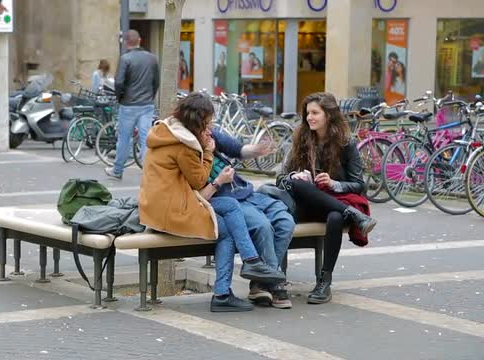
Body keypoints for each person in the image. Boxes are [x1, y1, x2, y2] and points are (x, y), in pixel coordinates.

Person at [139, 93, 283, 312]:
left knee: (228, 216)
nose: (211, 126)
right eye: (208, 122)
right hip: (173, 210)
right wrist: (208, 152)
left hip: (159, 206)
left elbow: (232, 149)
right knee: (226, 230)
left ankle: (237, 278)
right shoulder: (183, 145)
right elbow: (198, 181)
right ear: (198, 120)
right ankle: (229, 286)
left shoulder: (167, 132)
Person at [277, 92, 378, 305]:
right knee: (297, 183)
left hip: (333, 202)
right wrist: (296, 176)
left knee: (335, 217)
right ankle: (353, 214)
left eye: (315, 113)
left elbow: (359, 184)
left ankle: (324, 281)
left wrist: (334, 184)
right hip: (304, 203)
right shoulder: (300, 138)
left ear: (328, 116)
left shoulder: (345, 143)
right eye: (307, 113)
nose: (309, 118)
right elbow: (280, 178)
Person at [209, 129, 296, 309]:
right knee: (262, 226)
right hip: (230, 201)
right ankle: (274, 283)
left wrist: (258, 149)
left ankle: (260, 283)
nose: (209, 130)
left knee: (286, 222)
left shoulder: (210, 134)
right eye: (206, 123)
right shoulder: (188, 147)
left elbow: (238, 149)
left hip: (248, 193)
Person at [105, 30, 159, 180]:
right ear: (140, 40)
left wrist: (120, 98)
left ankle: (117, 170)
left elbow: (119, 82)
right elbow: (156, 82)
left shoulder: (125, 59)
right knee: (145, 138)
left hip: (128, 105)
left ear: (126, 42)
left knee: (124, 138)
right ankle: (149, 172)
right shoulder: (152, 59)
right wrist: (150, 97)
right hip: (147, 104)